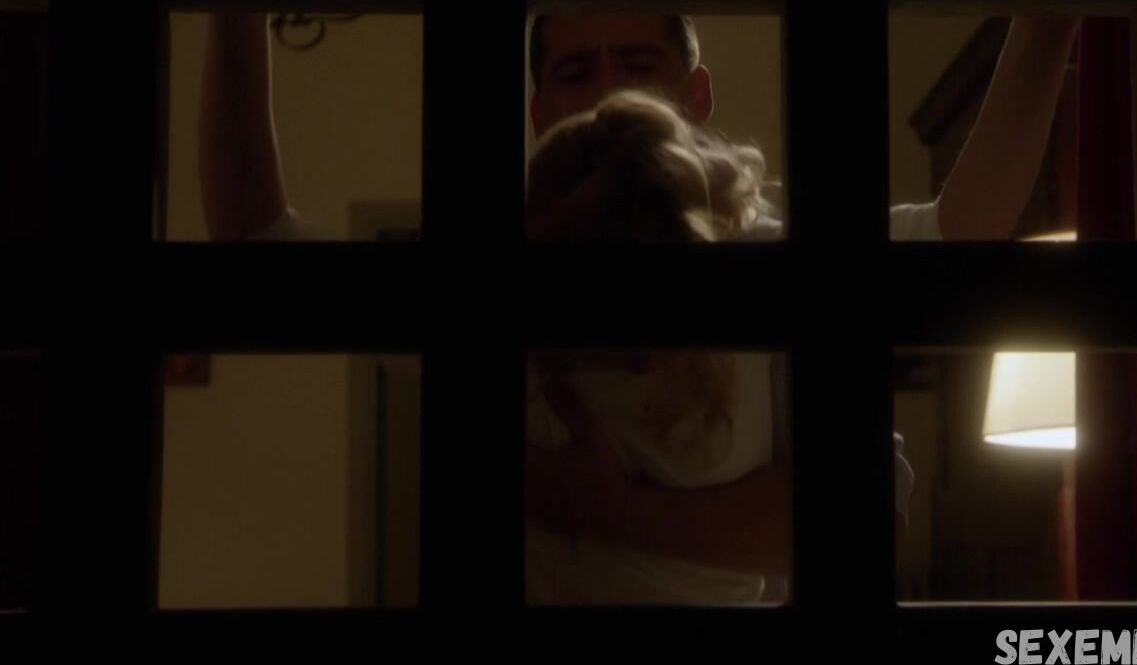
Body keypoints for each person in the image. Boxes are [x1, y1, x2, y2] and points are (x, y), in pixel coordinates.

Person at [197, 11, 1082, 603]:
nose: (608, 92)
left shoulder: (766, 257)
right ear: (539, 110)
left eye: (638, 64)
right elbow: (256, 242)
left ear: (696, 96)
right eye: (576, 69)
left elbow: (961, 233)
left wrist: (1052, 20)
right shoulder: (494, 273)